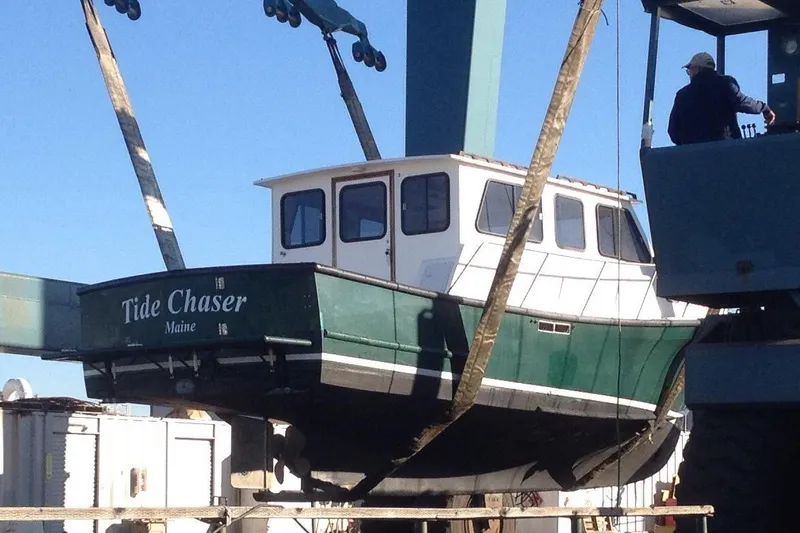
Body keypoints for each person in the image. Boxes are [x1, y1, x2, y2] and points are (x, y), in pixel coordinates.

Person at [668, 52, 776, 145]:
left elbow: (673, 131)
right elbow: (743, 103)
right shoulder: (725, 84)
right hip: (726, 152)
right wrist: (764, 108)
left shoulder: (682, 95)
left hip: (692, 157)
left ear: (697, 69)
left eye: (689, 69)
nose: (689, 74)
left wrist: (687, 145)